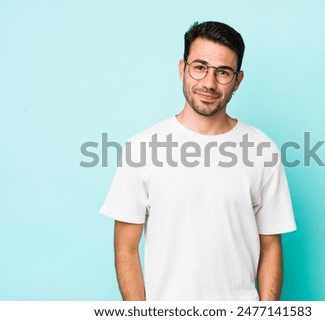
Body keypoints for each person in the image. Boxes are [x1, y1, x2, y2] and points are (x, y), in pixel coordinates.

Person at [100, 21, 297, 301]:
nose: (209, 83)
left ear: (238, 80)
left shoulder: (262, 150)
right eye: (200, 67)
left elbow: (271, 245)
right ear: (183, 69)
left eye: (223, 72)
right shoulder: (141, 148)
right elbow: (126, 249)